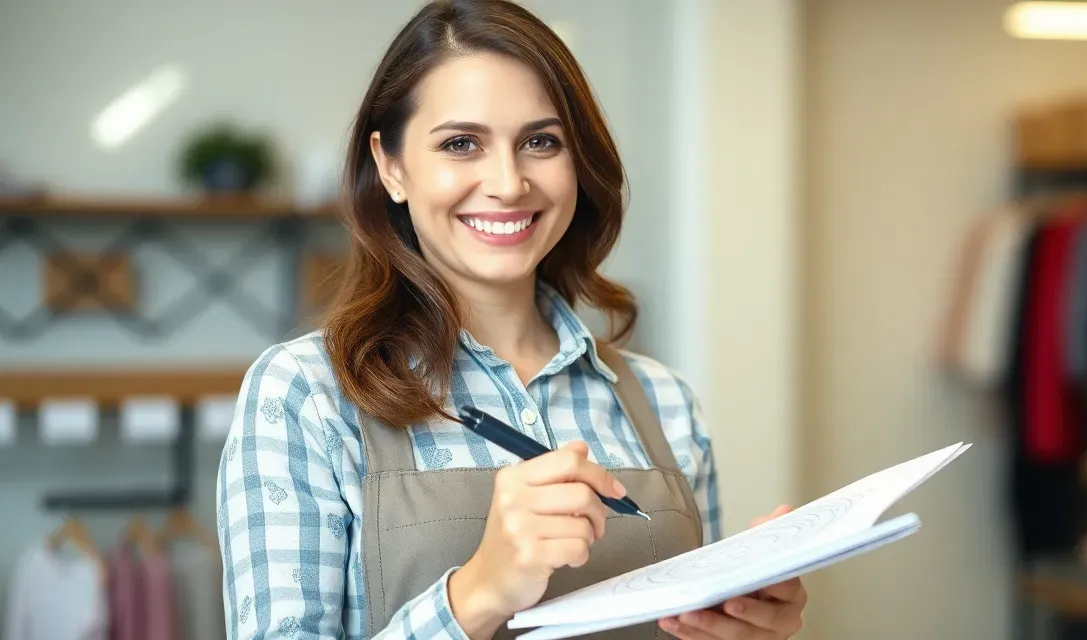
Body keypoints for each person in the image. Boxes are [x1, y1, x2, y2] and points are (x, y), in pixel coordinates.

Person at [213, 1, 809, 638]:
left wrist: (744, 630)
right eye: (461, 144)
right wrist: (476, 593)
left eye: (540, 142)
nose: (508, 182)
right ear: (391, 166)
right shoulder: (304, 394)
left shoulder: (666, 402)